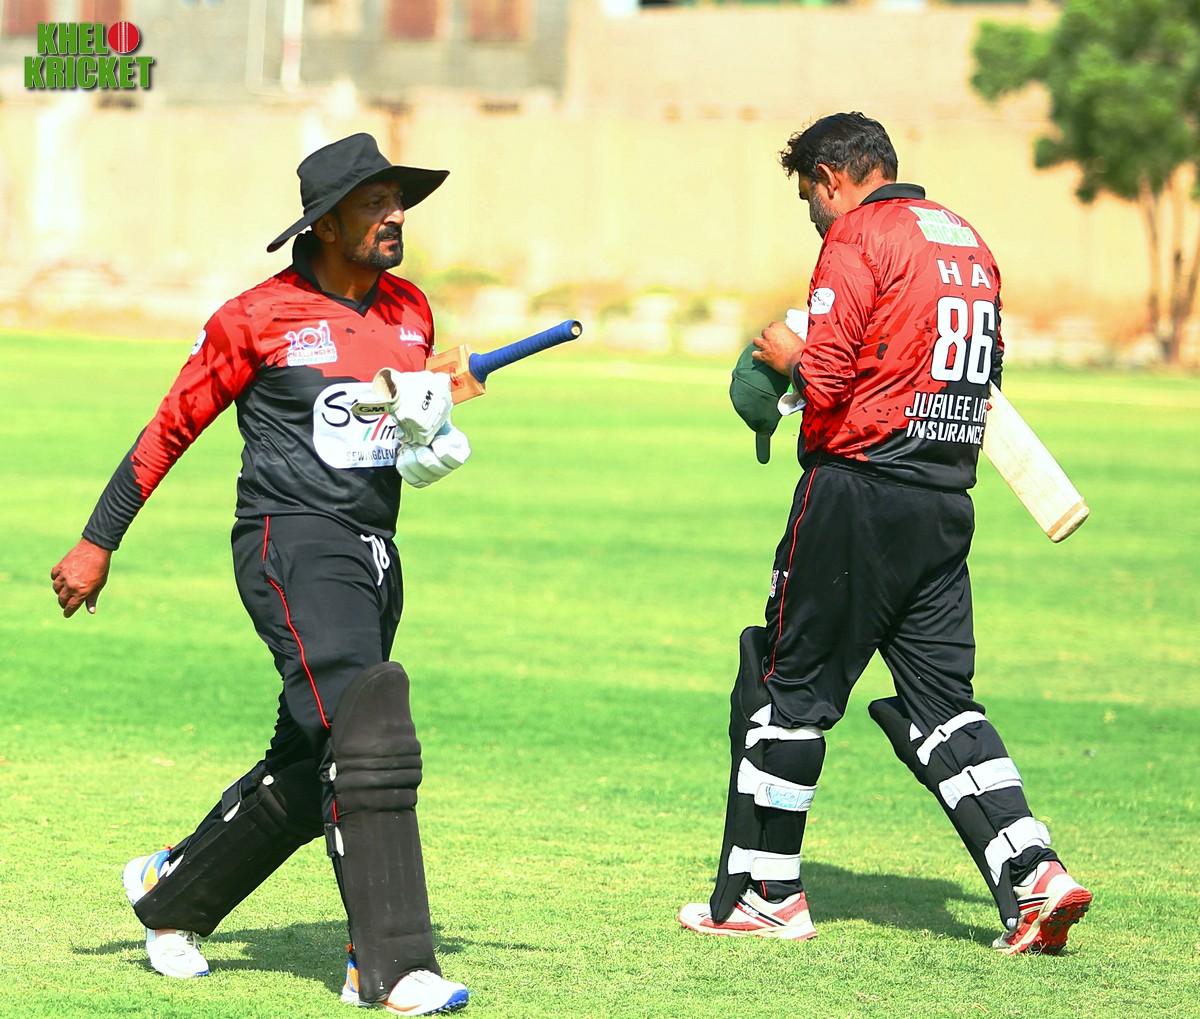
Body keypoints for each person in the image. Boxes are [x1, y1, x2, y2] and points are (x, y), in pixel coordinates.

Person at [51, 132, 475, 1014]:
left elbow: (400, 441)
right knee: (368, 732)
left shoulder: (411, 311)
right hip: (291, 543)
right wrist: (99, 540)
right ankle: (389, 965)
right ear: (325, 225)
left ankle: (173, 894)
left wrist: (434, 427)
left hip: (376, 551)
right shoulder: (255, 317)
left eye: (397, 200)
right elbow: (171, 427)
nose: (395, 215)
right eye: (374, 203)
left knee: (316, 752)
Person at [678, 112, 1092, 954]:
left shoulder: (859, 236)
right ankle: (1033, 874)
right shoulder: (967, 242)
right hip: (943, 501)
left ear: (832, 179)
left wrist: (784, 355)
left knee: (787, 693)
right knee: (945, 706)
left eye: (810, 199)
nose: (814, 218)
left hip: (859, 492)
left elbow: (827, 379)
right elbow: (989, 376)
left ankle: (766, 893)